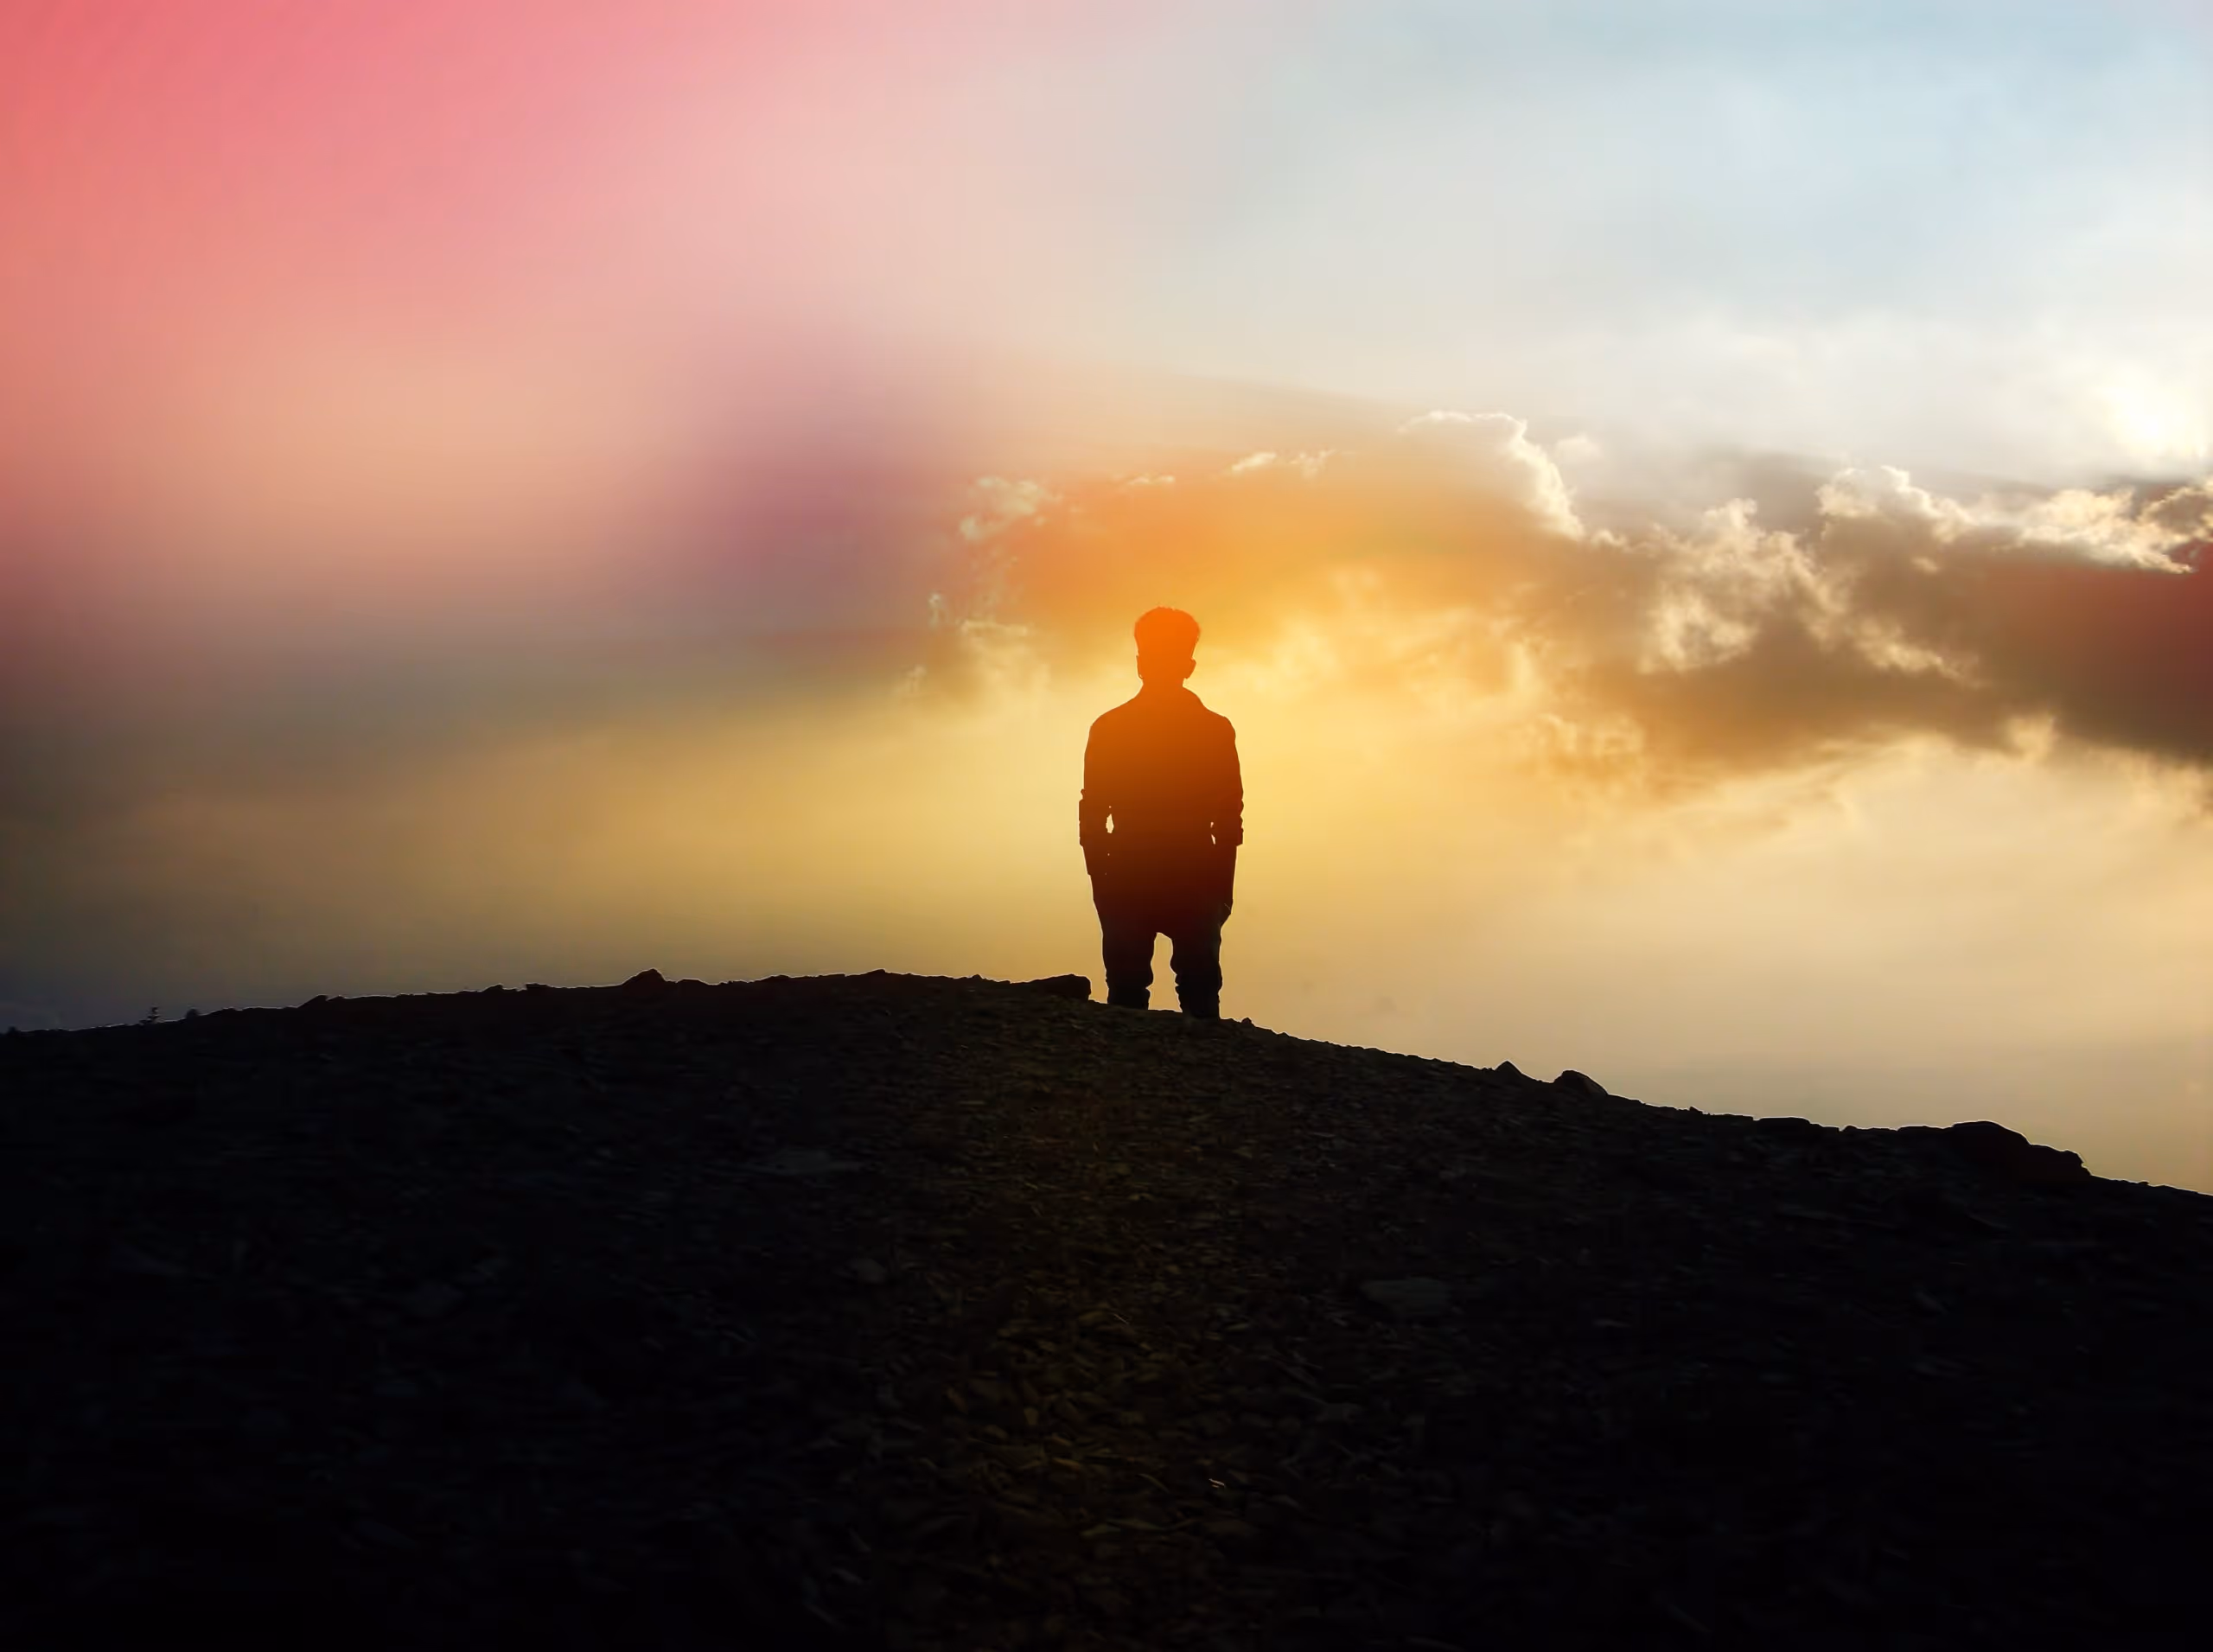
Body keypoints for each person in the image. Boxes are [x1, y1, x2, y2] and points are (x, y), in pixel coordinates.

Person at [1079, 608, 1242, 1017]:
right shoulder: (1213, 729)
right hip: (1179, 872)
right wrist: (1222, 887)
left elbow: (1092, 814)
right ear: (1190, 666)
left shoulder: (1111, 728)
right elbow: (1229, 819)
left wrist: (1101, 878)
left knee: (1134, 992)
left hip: (1143, 872)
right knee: (1192, 991)